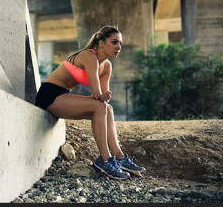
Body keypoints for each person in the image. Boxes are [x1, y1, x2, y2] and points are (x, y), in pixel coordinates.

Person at [35, 26, 146, 180]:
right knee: (100, 106)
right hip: (49, 95)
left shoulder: (106, 66)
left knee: (108, 108)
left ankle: (119, 157)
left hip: (63, 96)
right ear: (101, 42)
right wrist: (101, 96)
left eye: (120, 43)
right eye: (114, 42)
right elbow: (97, 94)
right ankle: (105, 159)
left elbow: (103, 99)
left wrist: (104, 96)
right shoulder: (89, 56)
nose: (118, 47)